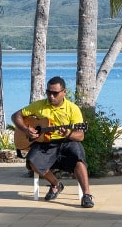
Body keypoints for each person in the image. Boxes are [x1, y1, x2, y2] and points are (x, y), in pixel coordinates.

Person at [11, 76, 95, 208]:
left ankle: (87, 195)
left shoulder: (72, 109)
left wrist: (68, 133)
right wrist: (26, 130)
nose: (51, 96)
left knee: (78, 158)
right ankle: (56, 185)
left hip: (67, 142)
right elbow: (16, 115)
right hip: (45, 142)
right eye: (48, 92)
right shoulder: (39, 105)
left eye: (55, 93)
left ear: (64, 92)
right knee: (32, 160)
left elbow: (80, 136)